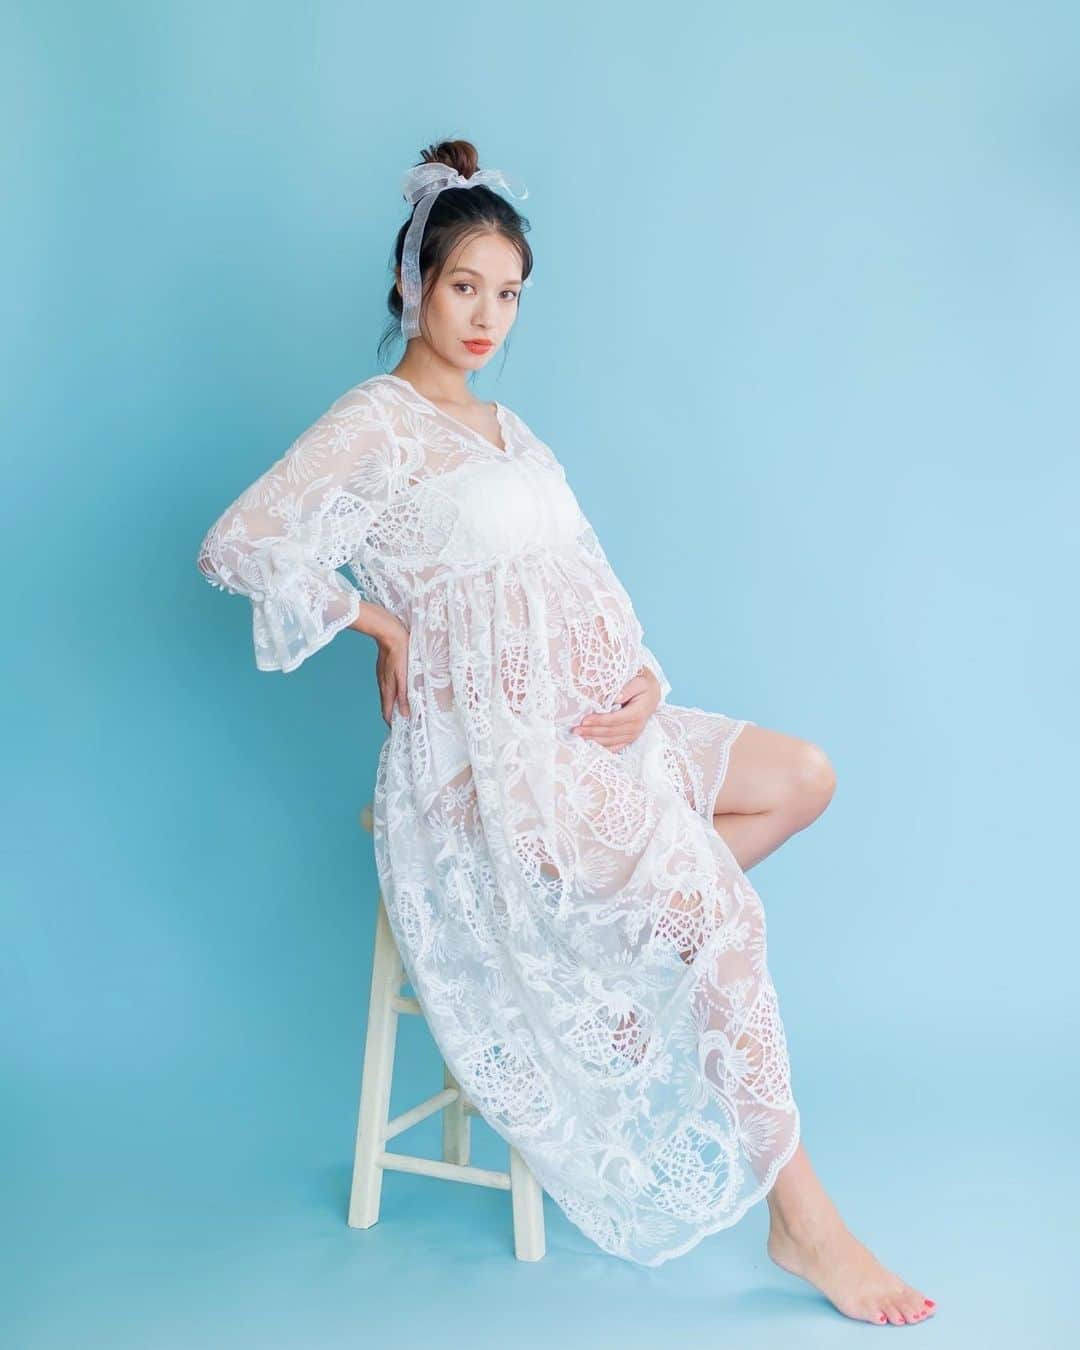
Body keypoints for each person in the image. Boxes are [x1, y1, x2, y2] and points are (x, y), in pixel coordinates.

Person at [196, 138, 936, 1327]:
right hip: (491, 765)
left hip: (587, 733)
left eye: (509, 294)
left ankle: (607, 961)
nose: (487, 317)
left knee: (803, 776)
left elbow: (580, 575)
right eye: (465, 287)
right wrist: (379, 623)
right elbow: (240, 543)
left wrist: (640, 678)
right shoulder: (377, 422)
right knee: (714, 911)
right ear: (412, 284)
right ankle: (804, 1221)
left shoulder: (509, 427)